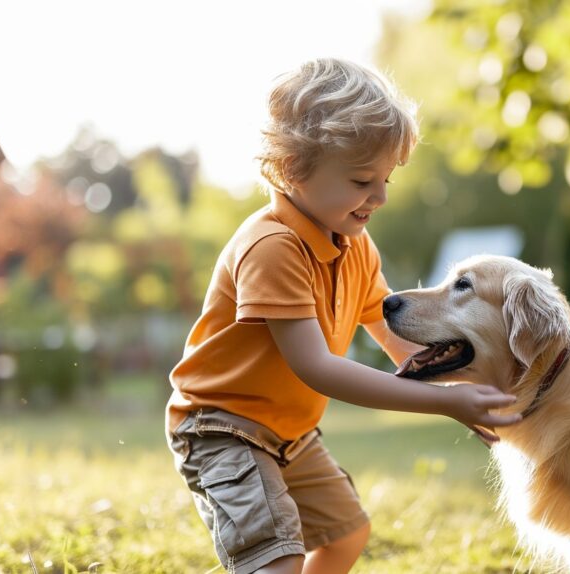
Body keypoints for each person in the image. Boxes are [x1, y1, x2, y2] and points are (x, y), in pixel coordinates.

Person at [165, 58, 522, 574]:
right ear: (292, 169)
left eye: (385, 180)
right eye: (361, 181)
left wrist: (455, 387)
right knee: (275, 557)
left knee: (346, 534)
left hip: (288, 430)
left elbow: (391, 330)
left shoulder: (353, 241)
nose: (377, 197)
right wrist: (441, 404)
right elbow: (319, 368)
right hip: (222, 426)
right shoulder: (272, 247)